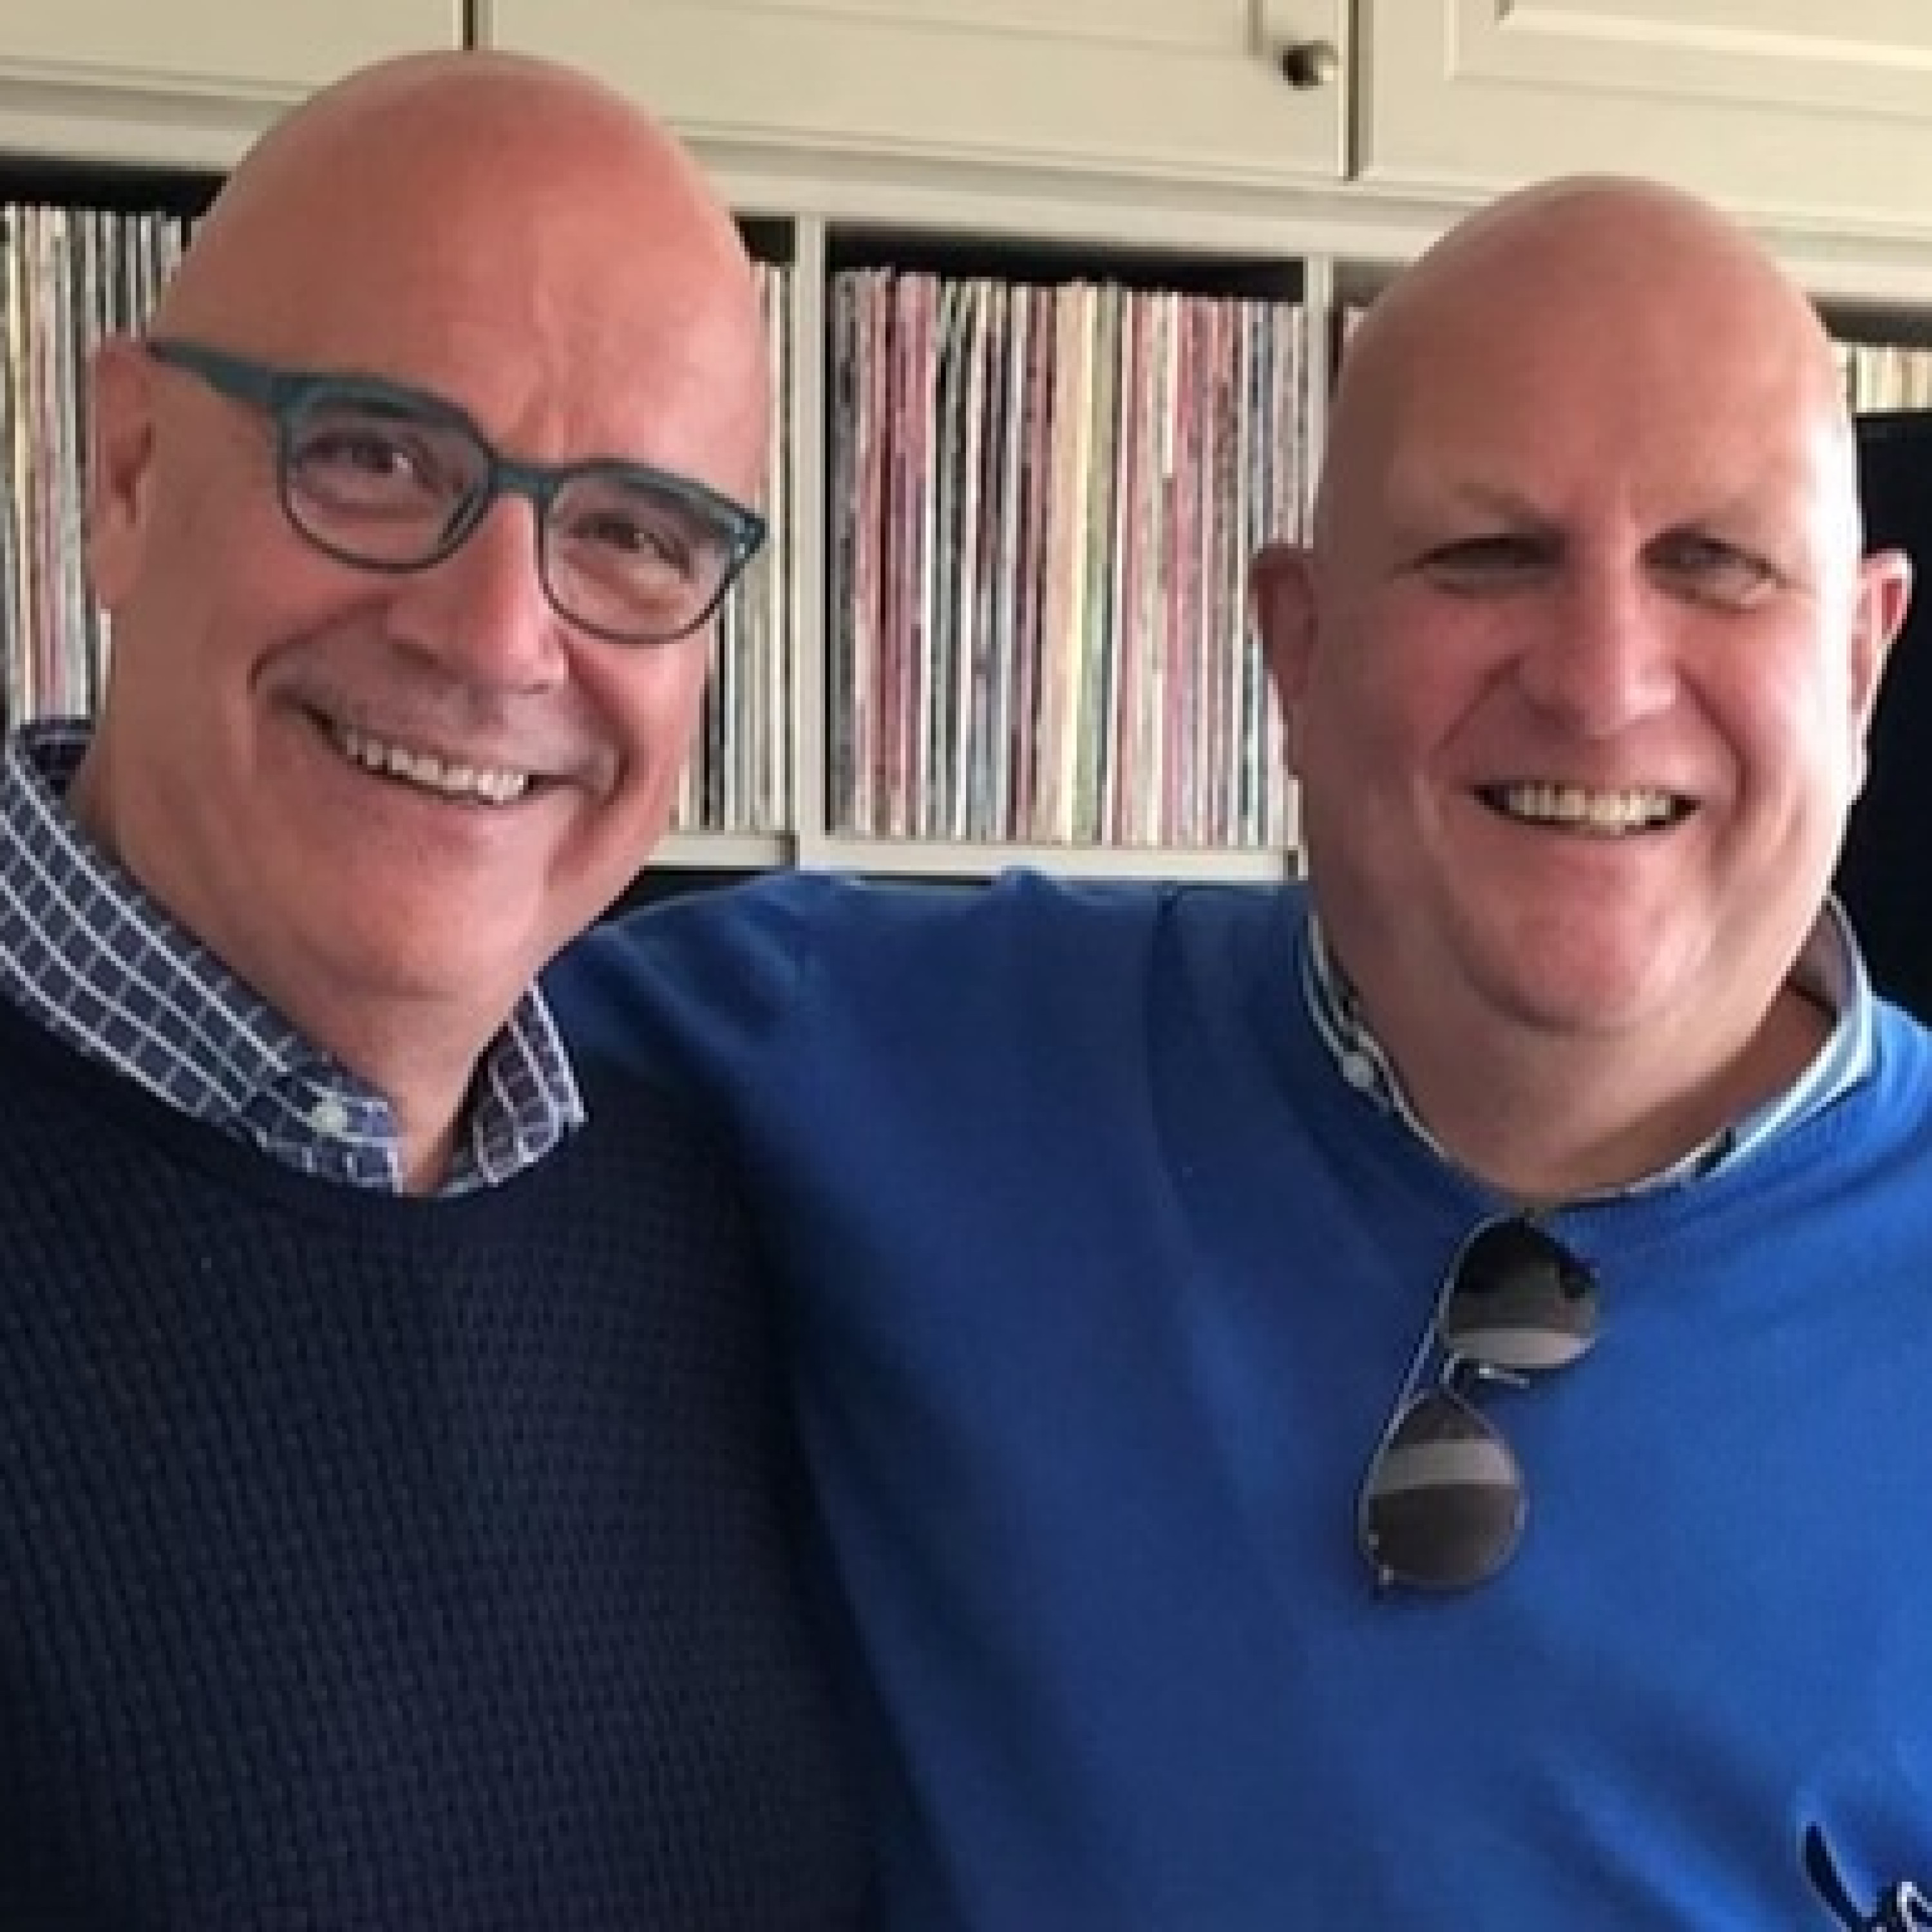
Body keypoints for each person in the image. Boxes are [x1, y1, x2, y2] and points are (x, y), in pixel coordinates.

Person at [550, 175, 1932, 1927]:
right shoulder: (864, 1052)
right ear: (1299, 645)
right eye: (1487, 554)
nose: (1601, 681)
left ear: (1860, 665)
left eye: (1715, 565)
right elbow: (322, 1004)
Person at [0, 49, 866, 1929]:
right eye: (376, 456)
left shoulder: (697, 1214)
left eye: (633, 531)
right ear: (128, 474)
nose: (496, 637)